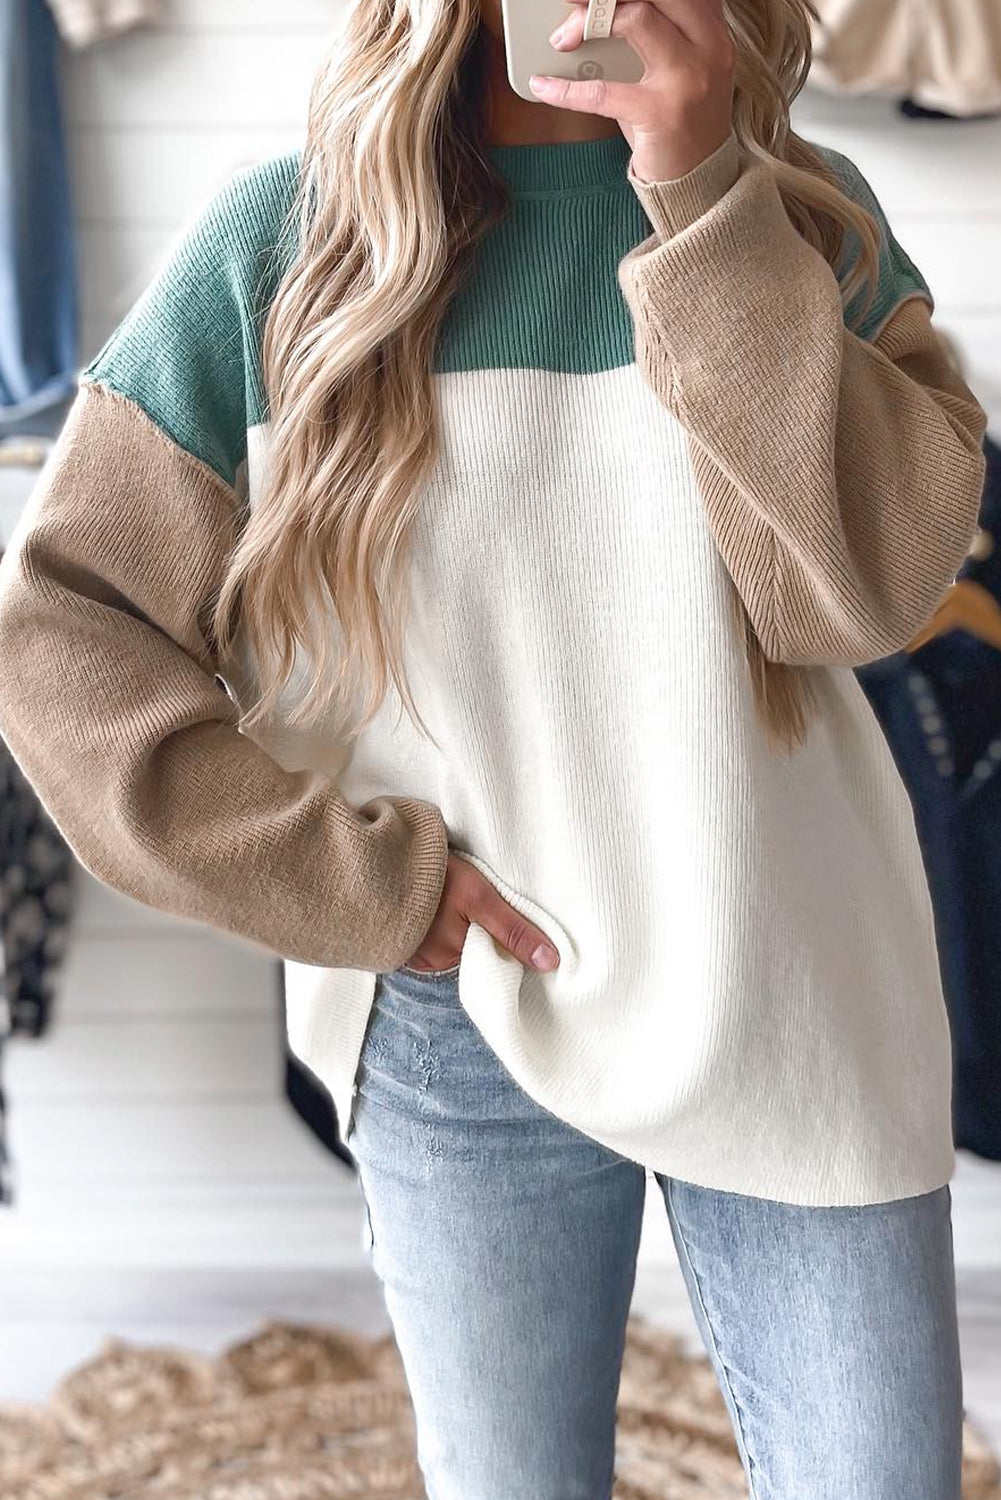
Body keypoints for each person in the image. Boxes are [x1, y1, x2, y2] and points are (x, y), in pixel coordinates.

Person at [0, 0, 989, 1494]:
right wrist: (346, 882)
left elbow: (864, 598)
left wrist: (701, 191)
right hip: (464, 1004)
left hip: (796, 976)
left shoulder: (805, 223)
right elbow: (65, 631)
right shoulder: (290, 247)